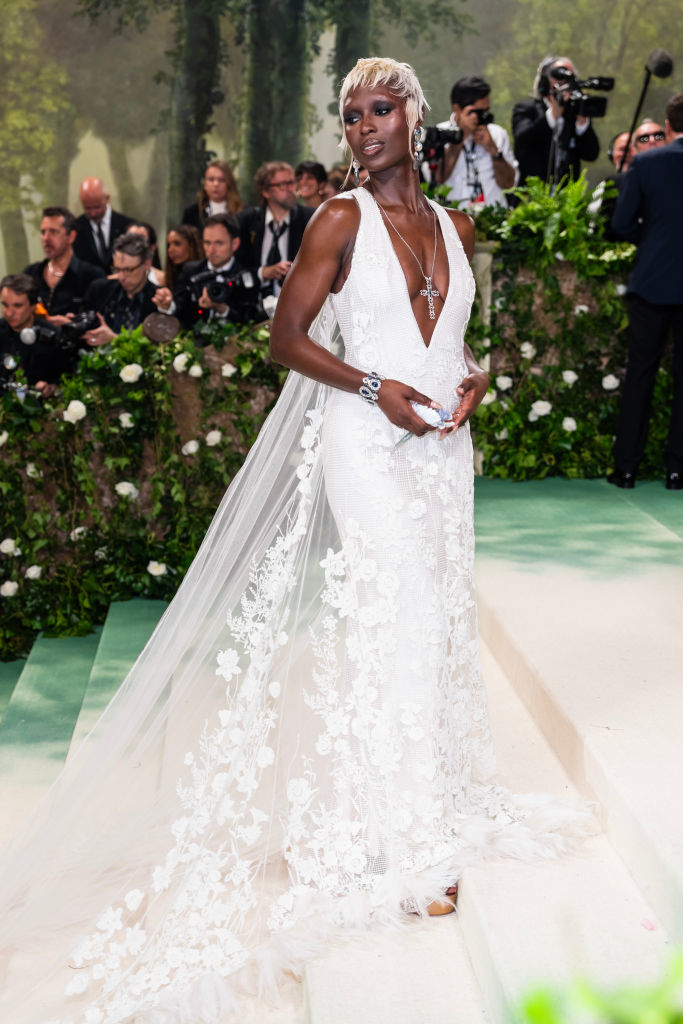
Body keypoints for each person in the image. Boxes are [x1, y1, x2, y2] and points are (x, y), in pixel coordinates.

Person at [0, 58, 590, 1023]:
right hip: (369, 438)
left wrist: (473, 378)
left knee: (435, 613)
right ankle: (404, 847)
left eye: (379, 110)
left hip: (444, 447)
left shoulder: (456, 223)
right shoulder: (337, 221)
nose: (362, 128)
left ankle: (428, 796)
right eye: (349, 115)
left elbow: (457, 339)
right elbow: (287, 339)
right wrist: (372, 389)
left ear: (414, 117)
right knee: (390, 609)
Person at [608, 94, 683, 490]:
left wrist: (652, 239)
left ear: (668, 128)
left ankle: (626, 469)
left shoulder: (648, 162)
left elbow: (621, 225)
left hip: (652, 282)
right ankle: (677, 471)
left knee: (639, 376)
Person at [153, 213, 262, 329]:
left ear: (235, 244)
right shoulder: (191, 271)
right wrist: (168, 304)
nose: (211, 250)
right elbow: (180, 307)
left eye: (219, 243)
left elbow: (249, 321)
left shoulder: (247, 277)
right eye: (207, 243)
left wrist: (222, 309)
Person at [429, 74, 517, 207]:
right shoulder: (440, 134)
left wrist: (493, 150)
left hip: (494, 219)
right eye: (477, 112)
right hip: (454, 221)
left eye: (486, 111)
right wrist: (460, 137)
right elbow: (438, 179)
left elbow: (509, 184)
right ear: (457, 108)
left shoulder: (497, 134)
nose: (482, 117)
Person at [513, 56, 600, 187]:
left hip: (566, 197)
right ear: (544, 81)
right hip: (533, 195)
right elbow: (523, 140)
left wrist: (582, 123)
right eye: (559, 76)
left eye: (570, 78)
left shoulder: (574, 113)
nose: (565, 83)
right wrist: (553, 114)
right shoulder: (526, 109)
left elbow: (591, 154)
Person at [237, 161, 314, 299]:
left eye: (292, 182)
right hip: (254, 307)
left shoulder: (309, 219)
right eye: (283, 185)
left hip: (297, 304)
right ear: (265, 192)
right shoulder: (246, 221)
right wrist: (263, 273)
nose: (291, 189)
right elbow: (235, 269)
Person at [24, 206, 105, 322]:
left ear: (71, 237)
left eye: (53, 232)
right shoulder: (31, 274)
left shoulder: (92, 276)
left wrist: (71, 325)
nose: (46, 238)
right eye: (43, 232)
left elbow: (100, 322)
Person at [81, 232, 159, 346]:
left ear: (147, 265)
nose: (121, 277)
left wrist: (115, 340)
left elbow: (155, 350)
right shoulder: (99, 290)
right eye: (117, 269)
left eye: (128, 270)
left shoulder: (159, 301)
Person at [0, 274, 65, 397]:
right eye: (5, 305)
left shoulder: (53, 336)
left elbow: (64, 377)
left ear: (33, 306)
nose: (9, 313)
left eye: (17, 306)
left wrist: (51, 387)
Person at [73, 177, 133, 272]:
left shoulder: (127, 226)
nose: (93, 213)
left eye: (97, 207)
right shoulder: (75, 230)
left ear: (107, 198)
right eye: (87, 208)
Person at [181, 159, 243, 230]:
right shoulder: (192, 213)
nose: (216, 184)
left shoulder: (241, 213)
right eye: (211, 179)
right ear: (205, 184)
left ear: (229, 184)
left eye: (221, 180)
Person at [163, 223, 204, 294]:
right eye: (169, 245)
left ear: (192, 246)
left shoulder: (205, 274)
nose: (170, 250)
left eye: (177, 243)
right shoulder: (171, 278)